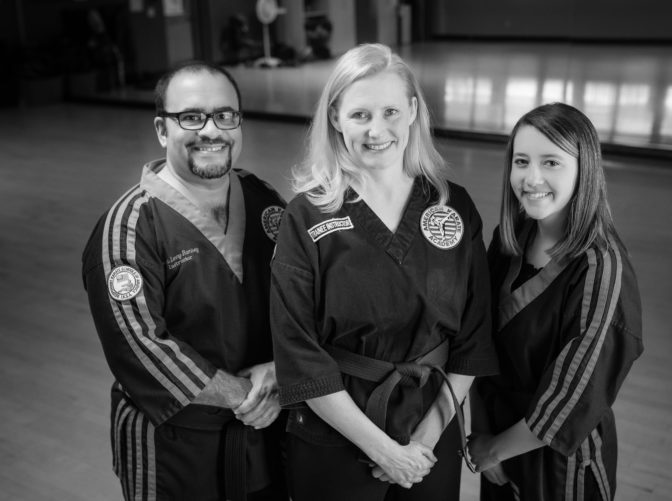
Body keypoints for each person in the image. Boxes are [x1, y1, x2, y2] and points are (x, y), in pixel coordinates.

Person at [269, 43, 498, 501]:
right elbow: (298, 352)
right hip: (336, 430)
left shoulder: (452, 207)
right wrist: (385, 451)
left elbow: (473, 336)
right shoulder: (306, 216)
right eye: (360, 115)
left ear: (413, 111)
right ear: (335, 117)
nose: (377, 131)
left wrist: (422, 442)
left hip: (431, 422)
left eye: (391, 111)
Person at [81, 61, 288, 501]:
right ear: (162, 129)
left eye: (225, 115)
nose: (211, 131)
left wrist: (281, 370)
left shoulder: (265, 200)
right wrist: (245, 395)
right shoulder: (129, 229)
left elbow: (303, 301)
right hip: (177, 448)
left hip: (267, 431)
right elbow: (141, 348)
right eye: (191, 117)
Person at [468, 102, 643, 501]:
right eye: (521, 161)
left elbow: (577, 395)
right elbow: (477, 340)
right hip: (495, 442)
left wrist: (493, 450)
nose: (532, 178)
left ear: (585, 171)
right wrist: (483, 434)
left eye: (551, 163)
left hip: (561, 462)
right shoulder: (512, 238)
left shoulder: (601, 268)